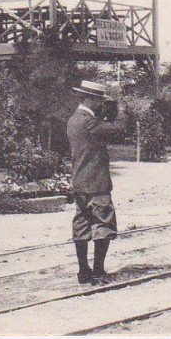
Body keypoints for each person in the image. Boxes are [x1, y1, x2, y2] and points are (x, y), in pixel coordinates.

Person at [66, 80, 128, 284]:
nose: (102, 105)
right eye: (100, 101)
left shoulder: (75, 119)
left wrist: (106, 113)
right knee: (103, 224)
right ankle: (99, 271)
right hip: (96, 182)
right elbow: (119, 128)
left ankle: (84, 271)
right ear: (91, 99)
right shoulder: (90, 123)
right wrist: (120, 110)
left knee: (82, 225)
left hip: (79, 181)